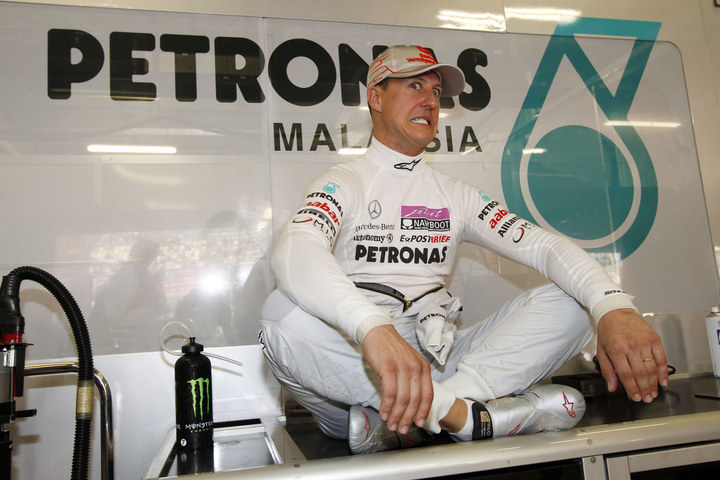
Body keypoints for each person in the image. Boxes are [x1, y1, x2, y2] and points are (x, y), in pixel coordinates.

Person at [259, 45, 668, 453]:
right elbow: (296, 249)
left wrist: (614, 306)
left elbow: (544, 247)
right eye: (415, 86)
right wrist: (373, 328)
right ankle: (464, 419)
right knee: (280, 316)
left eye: (436, 92)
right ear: (376, 98)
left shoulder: (455, 194)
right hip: (359, 372)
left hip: (440, 368)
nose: (430, 101)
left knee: (579, 300)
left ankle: (422, 419)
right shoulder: (342, 182)